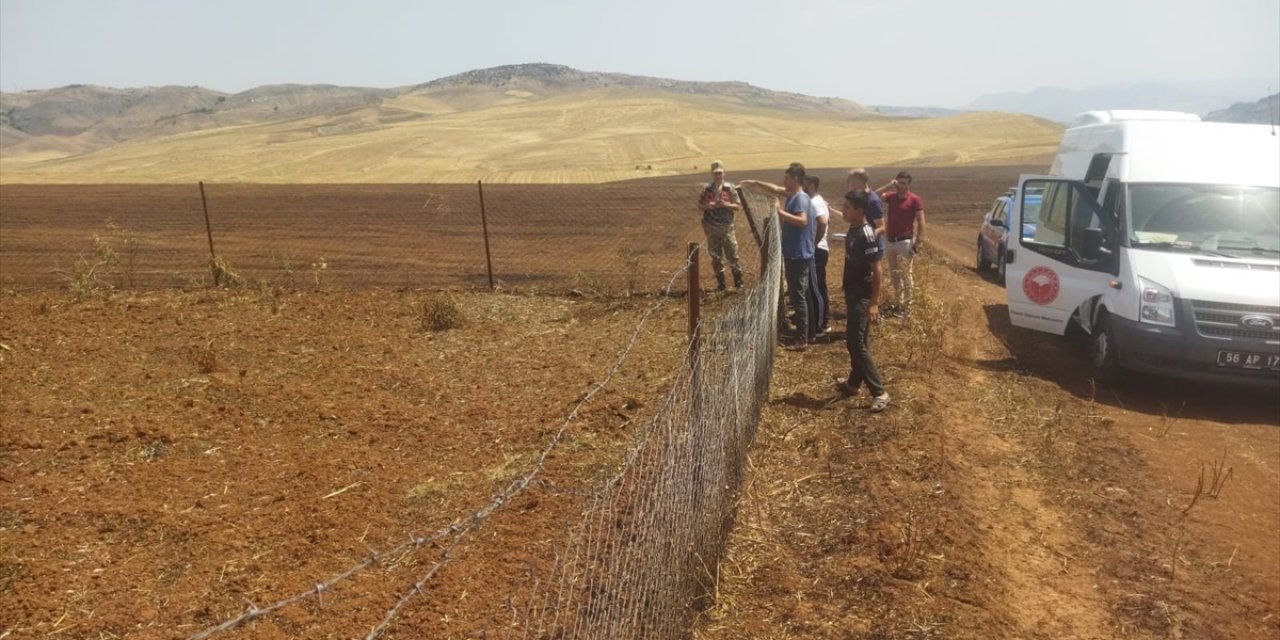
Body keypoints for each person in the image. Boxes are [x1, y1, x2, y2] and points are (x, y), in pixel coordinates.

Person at [741, 163, 819, 350]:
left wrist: (779, 211)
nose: (783, 181)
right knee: (801, 294)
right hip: (797, 252)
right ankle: (808, 333)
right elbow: (776, 189)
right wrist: (756, 183)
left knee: (798, 295)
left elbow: (802, 221)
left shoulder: (799, 198)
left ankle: (802, 339)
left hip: (798, 254)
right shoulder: (795, 196)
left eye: (786, 178)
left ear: (795, 179)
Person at [836, 190, 890, 412]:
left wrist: (874, 302)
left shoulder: (867, 234)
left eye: (847, 207)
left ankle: (880, 392)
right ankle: (853, 384)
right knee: (860, 341)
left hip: (863, 296)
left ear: (859, 211)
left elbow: (877, 270)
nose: (843, 210)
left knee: (856, 343)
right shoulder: (853, 229)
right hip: (853, 293)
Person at [876, 171, 926, 317]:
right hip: (890, 242)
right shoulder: (891, 197)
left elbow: (921, 221)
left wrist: (919, 242)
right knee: (894, 275)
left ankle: (907, 307)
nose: (901, 186)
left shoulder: (914, 199)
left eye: (904, 183)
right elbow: (875, 195)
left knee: (906, 274)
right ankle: (898, 303)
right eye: (899, 183)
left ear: (909, 184)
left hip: (905, 242)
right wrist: (889, 185)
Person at [697, 160, 745, 291]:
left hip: (727, 228)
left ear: (724, 173)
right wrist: (708, 206)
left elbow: (738, 206)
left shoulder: (730, 188)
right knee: (716, 258)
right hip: (711, 229)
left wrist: (725, 204)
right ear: (712, 174)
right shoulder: (707, 189)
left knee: (733, 256)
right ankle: (721, 285)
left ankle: (738, 282)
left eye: (720, 173)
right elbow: (699, 206)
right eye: (715, 173)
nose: (718, 176)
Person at [804, 174, 831, 335]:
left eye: (805, 185)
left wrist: (813, 244)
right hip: (819, 249)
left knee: (817, 288)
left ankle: (822, 324)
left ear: (812, 186)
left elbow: (822, 221)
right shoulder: (817, 200)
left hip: (817, 250)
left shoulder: (814, 203)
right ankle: (819, 319)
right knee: (817, 286)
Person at [846, 168, 885, 240]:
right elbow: (847, 217)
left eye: (851, 181)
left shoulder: (872, 200)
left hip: (871, 247)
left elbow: (882, 228)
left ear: (858, 182)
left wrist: (867, 237)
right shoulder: (858, 197)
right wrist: (830, 209)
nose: (849, 185)